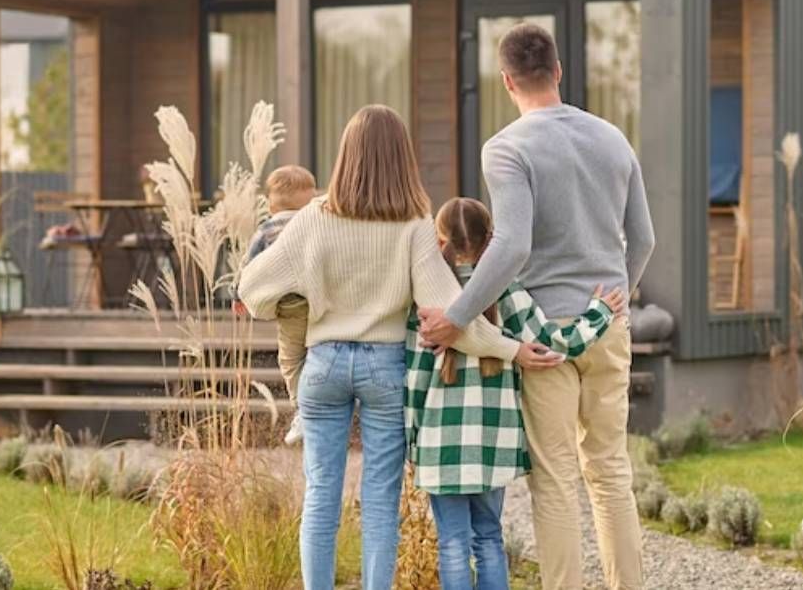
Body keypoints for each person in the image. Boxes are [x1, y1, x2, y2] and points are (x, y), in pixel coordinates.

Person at [238, 105, 561, 590]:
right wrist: (511, 350)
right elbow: (452, 318)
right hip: (385, 371)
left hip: (322, 366)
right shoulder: (413, 224)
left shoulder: (313, 217)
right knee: (380, 500)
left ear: (346, 155)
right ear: (402, 159)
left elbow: (251, 288)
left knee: (321, 494)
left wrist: (298, 302)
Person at [419, 23, 656, 590]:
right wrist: (617, 301)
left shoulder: (506, 148)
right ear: (557, 71)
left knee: (555, 480)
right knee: (610, 470)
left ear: (506, 81)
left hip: (541, 338)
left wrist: (458, 318)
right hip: (608, 324)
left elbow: (513, 245)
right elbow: (642, 239)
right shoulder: (612, 139)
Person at [405, 197, 627, 590]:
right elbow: (558, 344)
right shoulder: (507, 289)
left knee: (453, 545)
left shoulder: (426, 295)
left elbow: (414, 377)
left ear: (439, 241)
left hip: (441, 445)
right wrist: (600, 312)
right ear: (493, 240)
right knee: (488, 538)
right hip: (495, 441)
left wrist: (413, 441)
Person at [243, 164, 316, 446]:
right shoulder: (314, 225)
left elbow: (248, 268)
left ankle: (303, 410)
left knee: (290, 360)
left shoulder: (266, 229)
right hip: (322, 303)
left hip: (290, 309)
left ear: (271, 205)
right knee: (317, 355)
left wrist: (239, 296)